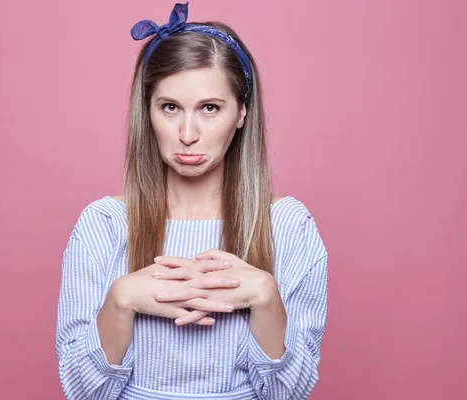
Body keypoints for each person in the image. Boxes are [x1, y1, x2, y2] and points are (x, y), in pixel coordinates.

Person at [55, 2, 328, 399]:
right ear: (146, 112)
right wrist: (120, 301)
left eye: (210, 109)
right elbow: (82, 392)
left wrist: (266, 299)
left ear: (241, 114)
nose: (187, 133)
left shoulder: (287, 226)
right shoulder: (105, 224)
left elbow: (289, 394)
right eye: (170, 107)